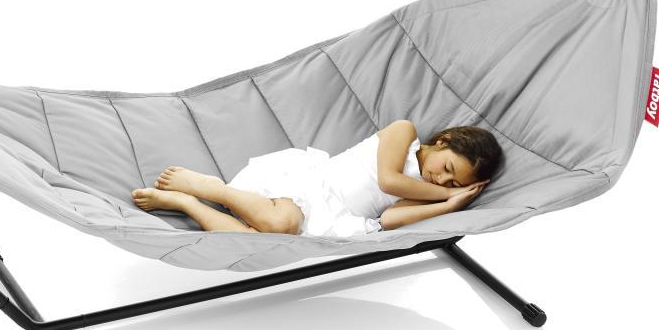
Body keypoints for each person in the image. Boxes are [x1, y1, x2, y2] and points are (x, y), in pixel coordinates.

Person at [131, 120, 501, 237]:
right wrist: (443, 196)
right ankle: (215, 190)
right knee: (282, 222)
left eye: (452, 184)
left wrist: (449, 205)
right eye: (447, 169)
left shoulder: (428, 195)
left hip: (336, 218)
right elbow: (388, 181)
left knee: (263, 238)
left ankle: (188, 202)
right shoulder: (404, 133)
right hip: (311, 185)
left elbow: (390, 218)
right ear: (443, 141)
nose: (441, 181)